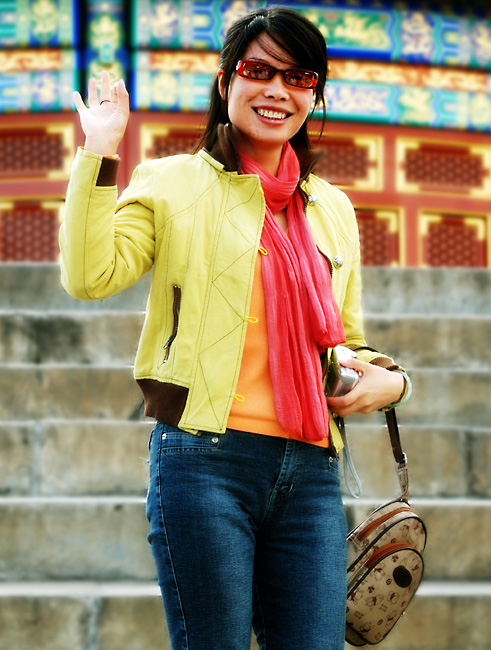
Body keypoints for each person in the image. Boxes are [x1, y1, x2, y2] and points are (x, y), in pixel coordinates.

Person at [60, 6, 411, 650]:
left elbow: (348, 339)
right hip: (203, 462)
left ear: (314, 95)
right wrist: (100, 151)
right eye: (259, 71)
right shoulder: (168, 183)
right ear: (226, 82)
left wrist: (392, 381)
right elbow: (90, 275)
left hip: (311, 470)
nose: (277, 92)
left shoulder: (329, 206)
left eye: (299, 78)